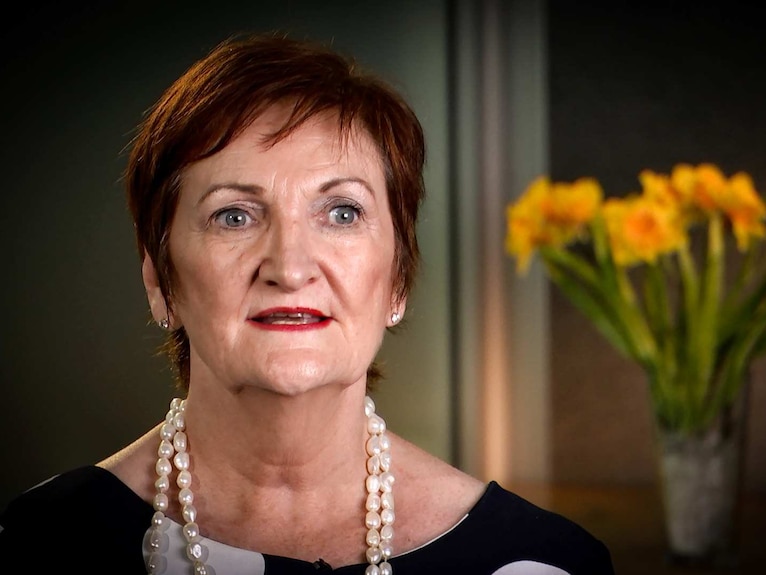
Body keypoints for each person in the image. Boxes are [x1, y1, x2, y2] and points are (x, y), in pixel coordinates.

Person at [0, 32, 614, 574]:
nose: (290, 268)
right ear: (161, 280)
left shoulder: (552, 562)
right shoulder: (38, 544)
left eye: (341, 212)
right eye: (233, 216)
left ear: (398, 278)